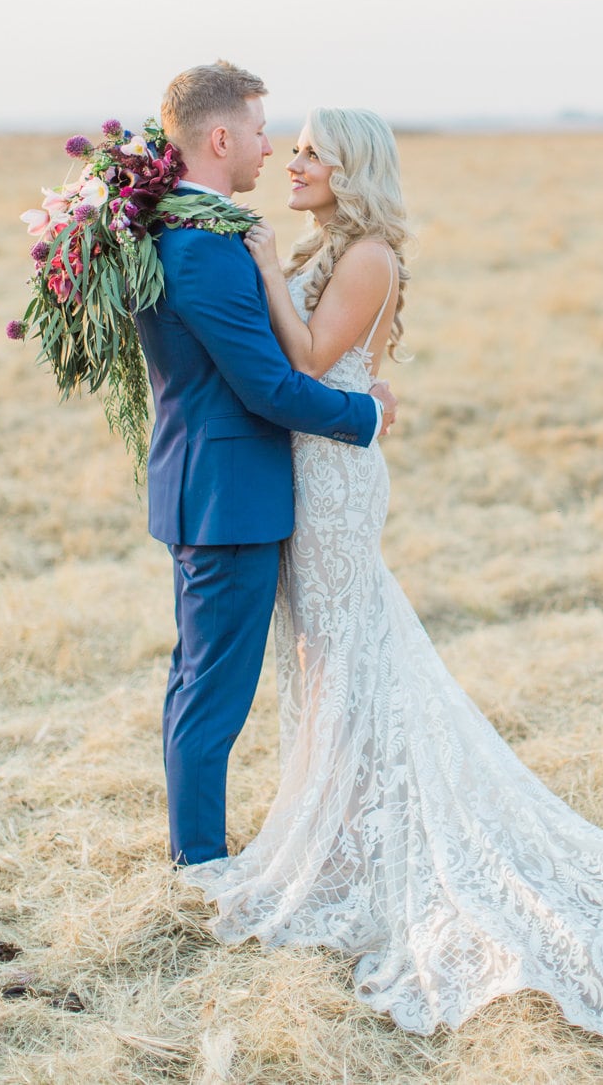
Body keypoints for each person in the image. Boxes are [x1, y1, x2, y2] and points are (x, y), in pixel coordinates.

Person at [182, 106, 603, 1040]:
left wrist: (270, 273)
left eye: (314, 150)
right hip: (307, 468)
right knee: (328, 659)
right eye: (295, 145)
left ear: (354, 169)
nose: (295, 160)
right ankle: (343, 835)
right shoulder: (328, 247)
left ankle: (371, 845)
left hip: (337, 480)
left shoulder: (365, 257)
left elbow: (313, 358)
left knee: (350, 652)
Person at [134, 63, 397, 868]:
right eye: (257, 130)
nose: (270, 148)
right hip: (230, 500)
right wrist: (367, 413)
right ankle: (201, 865)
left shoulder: (181, 233)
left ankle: (206, 851)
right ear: (220, 138)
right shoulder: (206, 249)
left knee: (198, 686)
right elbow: (269, 386)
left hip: (210, 489)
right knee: (211, 699)